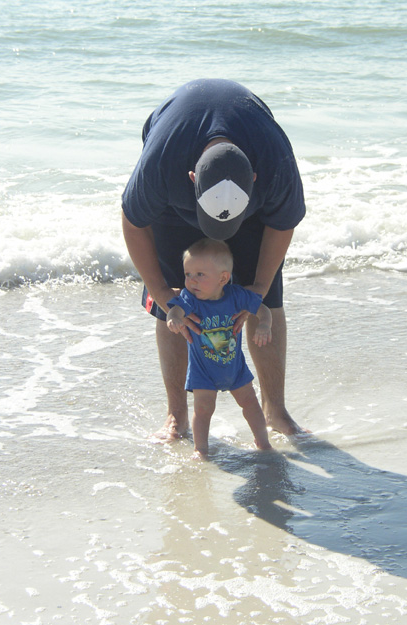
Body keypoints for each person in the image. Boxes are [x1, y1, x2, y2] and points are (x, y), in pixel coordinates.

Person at [121, 78, 306, 441]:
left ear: (253, 179)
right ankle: (177, 415)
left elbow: (283, 225)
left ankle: (275, 410)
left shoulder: (275, 165)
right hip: (174, 210)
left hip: (254, 205)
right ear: (192, 179)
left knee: (264, 300)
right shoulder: (162, 163)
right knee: (175, 305)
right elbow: (132, 220)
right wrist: (161, 293)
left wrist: (259, 289)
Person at [166, 238, 272, 457]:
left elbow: (263, 310)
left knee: (250, 403)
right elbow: (175, 310)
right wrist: (173, 318)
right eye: (187, 274)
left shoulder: (237, 296)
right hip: (203, 372)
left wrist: (264, 325)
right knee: (203, 410)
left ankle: (263, 443)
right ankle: (201, 450)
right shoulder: (190, 299)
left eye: (199, 275)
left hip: (235, 369)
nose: (191, 281)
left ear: (223, 278)